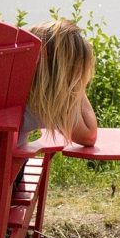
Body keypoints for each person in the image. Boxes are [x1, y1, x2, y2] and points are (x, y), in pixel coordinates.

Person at [18, 18, 98, 148]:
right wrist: (75, 81)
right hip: (6, 165)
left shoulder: (6, 79)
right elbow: (89, 136)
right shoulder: (47, 100)